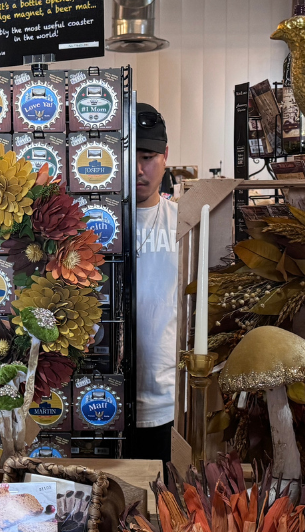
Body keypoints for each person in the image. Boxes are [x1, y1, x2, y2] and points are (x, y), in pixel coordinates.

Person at [130, 104, 179, 464]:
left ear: (165, 156)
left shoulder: (186, 225)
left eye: (147, 157)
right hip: (101, 400)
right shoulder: (91, 224)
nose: (138, 170)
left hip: (164, 402)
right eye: (130, 155)